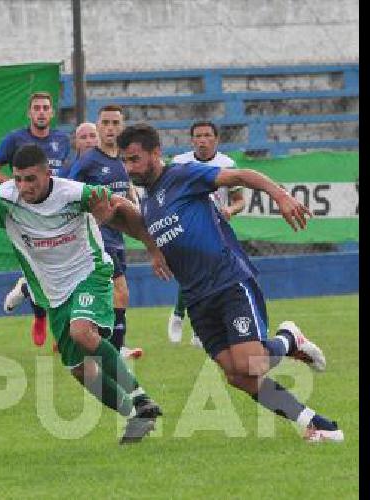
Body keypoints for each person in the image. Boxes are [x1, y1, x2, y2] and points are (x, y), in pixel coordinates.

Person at [0, 144, 172, 444]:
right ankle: (135, 417)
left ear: (47, 174)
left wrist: (152, 247)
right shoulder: (5, 199)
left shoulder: (74, 193)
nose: (24, 186)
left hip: (89, 273)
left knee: (81, 332)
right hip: (52, 291)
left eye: (31, 179)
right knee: (78, 370)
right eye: (19, 179)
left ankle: (141, 399)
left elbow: (122, 208)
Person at [114, 122, 341, 442]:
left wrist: (280, 195)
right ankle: (313, 422)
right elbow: (151, 229)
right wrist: (154, 250)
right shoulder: (147, 199)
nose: (129, 167)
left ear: (156, 153)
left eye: (134, 158)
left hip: (227, 281)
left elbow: (242, 176)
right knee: (237, 375)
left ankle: (289, 339)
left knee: (252, 363)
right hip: (196, 298)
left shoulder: (182, 174)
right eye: (124, 160)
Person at [3, 121, 99, 353]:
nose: (88, 141)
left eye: (91, 136)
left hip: (98, 226)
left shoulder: (113, 162)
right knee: (51, 276)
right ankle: (36, 302)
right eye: (83, 137)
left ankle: (106, 341)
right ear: (75, 142)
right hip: (65, 233)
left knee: (114, 286)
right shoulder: (70, 172)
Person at [0, 91, 72, 347]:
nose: (42, 112)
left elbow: (62, 177)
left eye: (46, 107)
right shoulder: (15, 139)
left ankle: (29, 293)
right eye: (37, 108)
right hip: (26, 213)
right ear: (29, 113)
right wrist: (19, 190)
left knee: (58, 266)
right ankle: (40, 314)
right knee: (41, 265)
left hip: (56, 212)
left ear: (52, 112)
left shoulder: (62, 140)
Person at [66, 105, 143, 359]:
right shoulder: (89, 160)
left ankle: (98, 343)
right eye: (106, 123)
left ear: (122, 127)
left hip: (117, 236)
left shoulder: (121, 159)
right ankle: (116, 349)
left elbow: (127, 190)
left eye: (115, 123)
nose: (110, 128)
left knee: (109, 295)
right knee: (120, 292)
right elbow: (69, 192)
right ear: (98, 127)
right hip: (98, 237)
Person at [168, 121, 247, 346]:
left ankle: (192, 325)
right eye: (198, 136)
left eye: (207, 135)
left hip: (216, 228)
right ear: (192, 140)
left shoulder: (227, 164)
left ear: (216, 139)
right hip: (186, 228)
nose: (202, 140)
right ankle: (178, 315)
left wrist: (230, 210)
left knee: (210, 277)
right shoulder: (179, 163)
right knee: (193, 273)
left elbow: (240, 201)